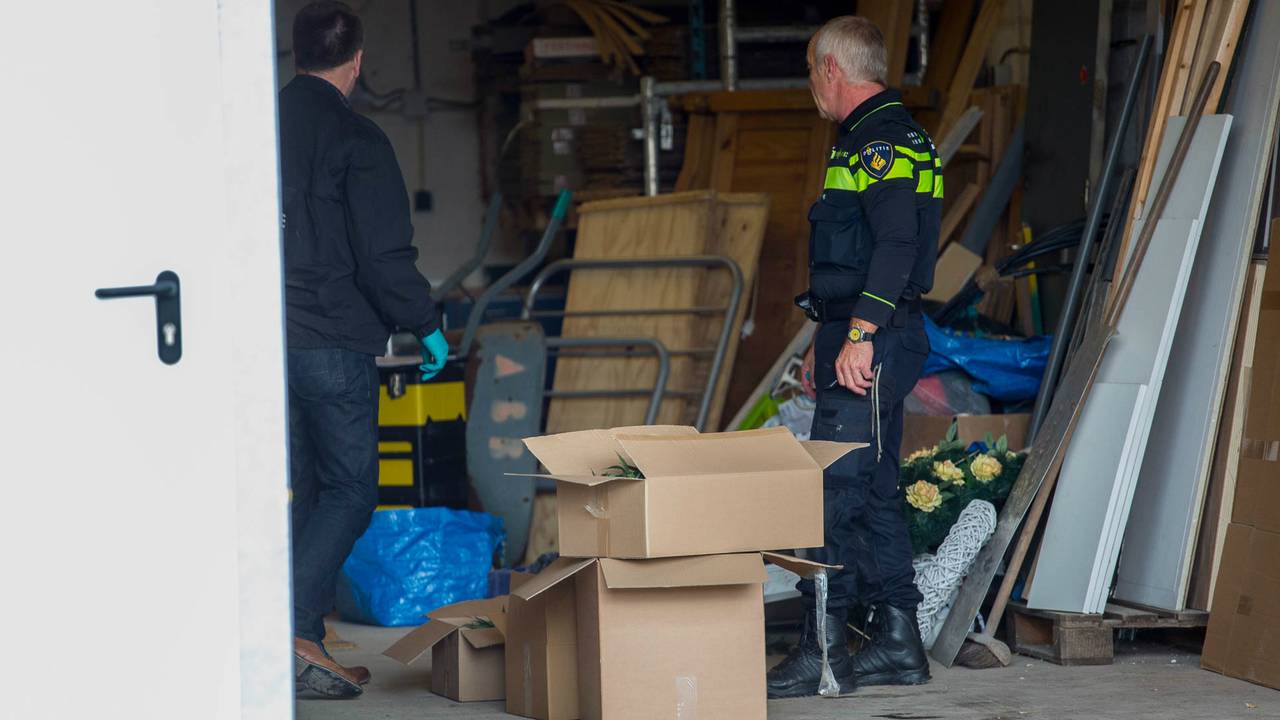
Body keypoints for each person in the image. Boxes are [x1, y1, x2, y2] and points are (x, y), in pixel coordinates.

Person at [278, 1, 450, 698]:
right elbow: (382, 256)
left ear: (295, 56)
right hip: (333, 340)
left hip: (268, 340)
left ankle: (306, 640)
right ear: (357, 60)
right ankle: (287, 621)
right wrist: (426, 322)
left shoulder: (256, 130)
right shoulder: (357, 137)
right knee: (351, 490)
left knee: (307, 490)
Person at [766, 15, 941, 699]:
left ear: (833, 69)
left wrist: (861, 334)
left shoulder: (881, 143)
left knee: (830, 495)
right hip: (862, 335)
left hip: (877, 336)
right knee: (872, 491)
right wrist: (828, 338)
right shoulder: (875, 137)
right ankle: (898, 642)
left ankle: (823, 651)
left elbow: (896, 246)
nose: (812, 83)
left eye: (813, 70)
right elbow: (854, 258)